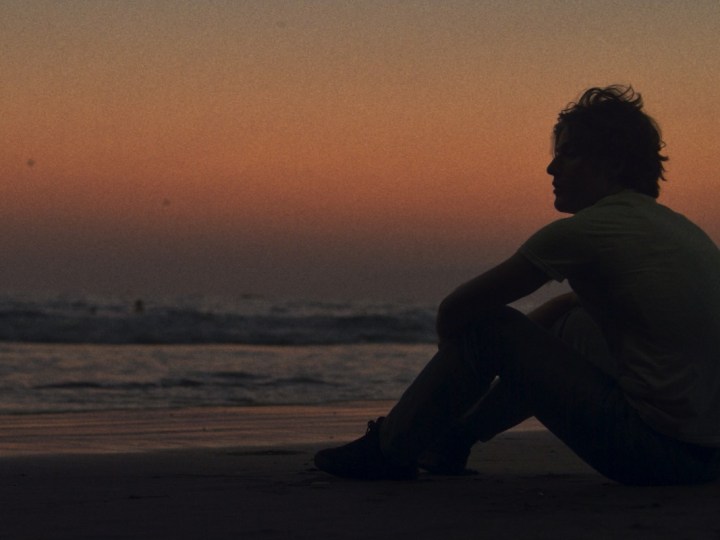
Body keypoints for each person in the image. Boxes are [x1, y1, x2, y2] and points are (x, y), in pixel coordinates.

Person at [314, 85, 720, 485]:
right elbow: (574, 305)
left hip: (657, 453)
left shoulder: (585, 231)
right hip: (707, 457)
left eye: (569, 154)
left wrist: (463, 356)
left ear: (613, 164)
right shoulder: (675, 229)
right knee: (572, 326)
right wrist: (524, 346)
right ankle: (454, 438)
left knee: (489, 326)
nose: (552, 169)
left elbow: (458, 309)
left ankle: (390, 449)